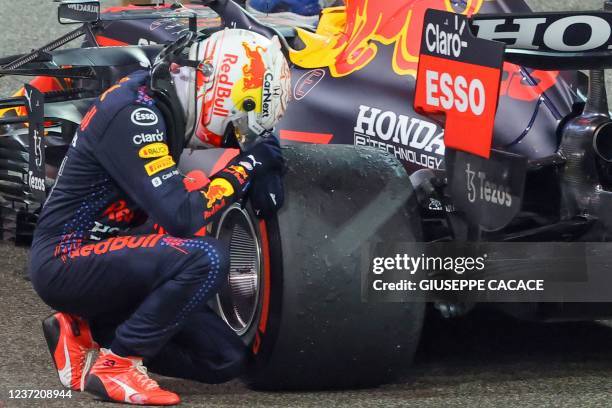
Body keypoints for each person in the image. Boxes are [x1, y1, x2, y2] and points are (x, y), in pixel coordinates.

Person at [30, 28, 291, 406]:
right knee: (206, 257)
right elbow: (182, 216)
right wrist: (247, 166)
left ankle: (82, 327)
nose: (233, 138)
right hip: (67, 260)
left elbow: (254, 150)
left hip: (118, 258)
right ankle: (117, 367)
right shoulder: (134, 112)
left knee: (224, 359)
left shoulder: (167, 92)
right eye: (235, 123)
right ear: (221, 93)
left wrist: (259, 159)